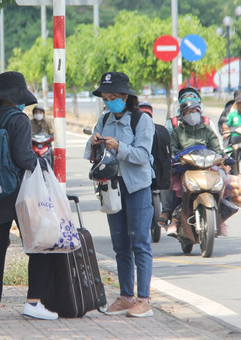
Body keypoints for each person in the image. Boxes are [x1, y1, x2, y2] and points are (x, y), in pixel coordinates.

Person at [0, 71, 58, 321]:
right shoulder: (19, 119)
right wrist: (41, 164)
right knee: (40, 242)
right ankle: (34, 302)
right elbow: (22, 158)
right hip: (19, 192)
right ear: (17, 96)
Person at [85, 72, 155, 318]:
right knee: (120, 245)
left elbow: (143, 156)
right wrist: (95, 143)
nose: (110, 100)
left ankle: (144, 300)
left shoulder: (141, 121)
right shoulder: (103, 120)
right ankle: (126, 297)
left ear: (126, 96)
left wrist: (119, 147)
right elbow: (89, 154)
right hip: (111, 189)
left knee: (140, 243)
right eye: (106, 97)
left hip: (137, 188)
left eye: (114, 96)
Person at [167, 99, 225, 235]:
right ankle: (174, 220)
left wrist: (223, 157)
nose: (191, 114)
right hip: (184, 168)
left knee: (225, 185)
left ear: (199, 112)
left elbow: (216, 148)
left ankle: (221, 219)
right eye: (188, 112)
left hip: (207, 168)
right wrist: (174, 158)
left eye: (194, 111)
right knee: (175, 188)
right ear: (182, 115)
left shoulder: (207, 131)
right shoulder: (177, 132)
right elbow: (173, 148)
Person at [137, 101, 173, 230]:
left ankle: (168, 211)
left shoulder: (161, 131)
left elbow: (167, 153)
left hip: (157, 170)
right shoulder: (132, 131)